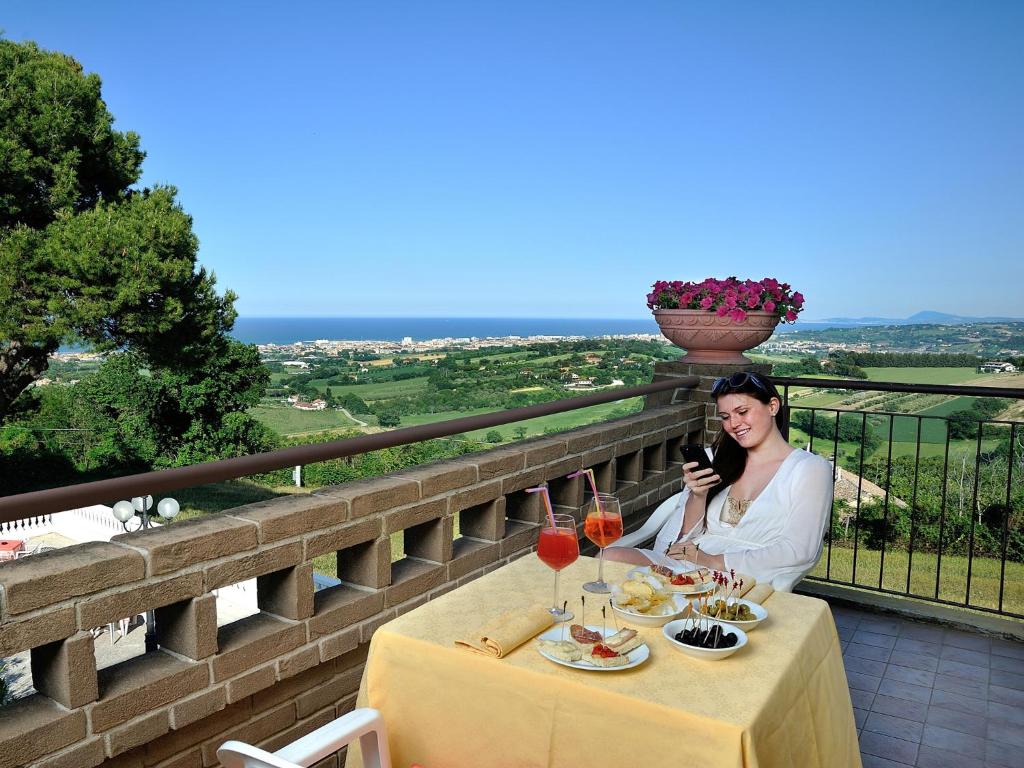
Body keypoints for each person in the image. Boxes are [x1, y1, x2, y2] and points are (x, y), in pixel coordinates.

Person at [606, 371, 833, 592]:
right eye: (725, 417)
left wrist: (714, 561)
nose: (734, 424)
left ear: (772, 406)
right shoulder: (716, 458)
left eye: (742, 412)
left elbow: (800, 550)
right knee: (609, 557)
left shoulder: (809, 469)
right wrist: (698, 495)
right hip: (690, 561)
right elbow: (684, 537)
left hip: (745, 574)